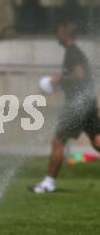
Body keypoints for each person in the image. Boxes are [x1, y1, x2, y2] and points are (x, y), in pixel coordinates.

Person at [30, 21, 100, 193]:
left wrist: (57, 80)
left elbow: (80, 76)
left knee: (58, 141)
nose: (56, 35)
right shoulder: (73, 52)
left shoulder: (73, 52)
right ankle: (48, 182)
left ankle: (48, 183)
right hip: (86, 104)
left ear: (66, 34)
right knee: (97, 140)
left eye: (59, 31)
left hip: (78, 107)